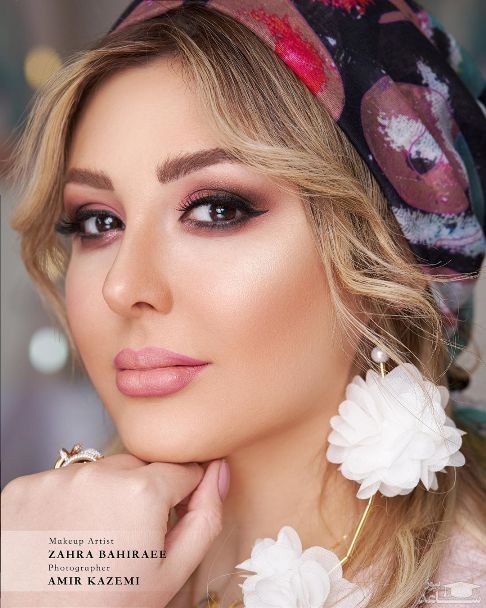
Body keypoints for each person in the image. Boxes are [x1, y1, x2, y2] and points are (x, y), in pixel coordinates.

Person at [2, 1, 485, 607]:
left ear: (384, 252)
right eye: (99, 221)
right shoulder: (48, 563)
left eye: (217, 210)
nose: (121, 288)